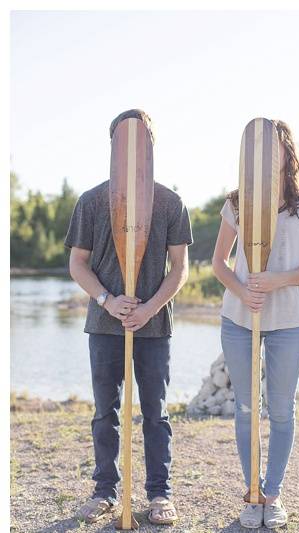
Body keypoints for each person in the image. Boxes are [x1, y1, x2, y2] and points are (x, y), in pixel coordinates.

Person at [67, 109, 193, 526]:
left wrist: (149, 307)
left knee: (155, 412)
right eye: (125, 140)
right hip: (104, 325)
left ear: (152, 146)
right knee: (106, 411)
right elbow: (78, 264)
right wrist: (107, 299)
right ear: (113, 146)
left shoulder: (171, 202)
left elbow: (180, 268)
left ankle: (160, 495)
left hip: (154, 326)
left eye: (142, 140)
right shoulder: (90, 201)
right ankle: (105, 491)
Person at [211, 119, 299, 529]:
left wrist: (276, 280)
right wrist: (243, 291)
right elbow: (218, 264)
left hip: (289, 322)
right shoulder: (237, 202)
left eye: (274, 147)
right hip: (239, 319)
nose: (267, 154)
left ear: (286, 151)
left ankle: (273, 494)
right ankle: (251, 494)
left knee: (280, 411)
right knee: (246, 408)